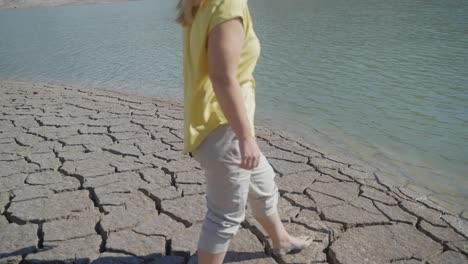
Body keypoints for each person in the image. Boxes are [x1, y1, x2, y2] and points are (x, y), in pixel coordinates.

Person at [177, 0, 313, 263]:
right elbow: (222, 77)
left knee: (262, 182)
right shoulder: (228, 5)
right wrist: (245, 137)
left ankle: (280, 240)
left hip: (213, 124)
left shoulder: (201, 4)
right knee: (224, 216)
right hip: (225, 130)